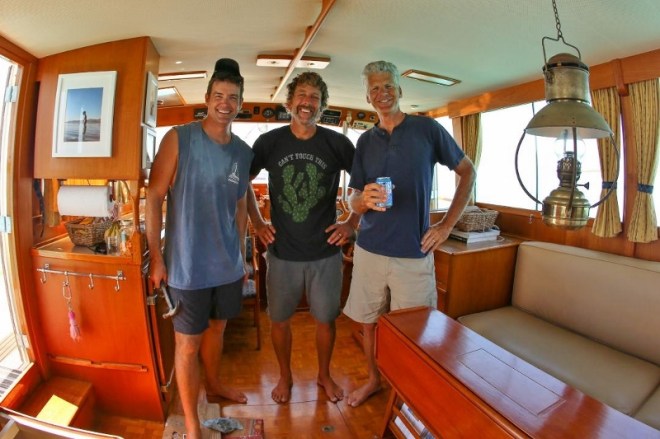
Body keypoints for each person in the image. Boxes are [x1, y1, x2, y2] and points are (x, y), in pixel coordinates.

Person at [343, 60, 476, 407]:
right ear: (367, 97)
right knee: (369, 323)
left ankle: (406, 395)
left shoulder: (427, 130)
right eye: (374, 88)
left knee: (414, 330)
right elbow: (352, 199)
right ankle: (374, 380)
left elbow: (468, 171)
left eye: (388, 86)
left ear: (399, 90)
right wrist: (361, 202)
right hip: (370, 249)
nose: (382, 93)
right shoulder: (364, 141)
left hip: (414, 252)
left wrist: (446, 226)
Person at [146, 58, 253, 439]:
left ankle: (215, 383)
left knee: (218, 329)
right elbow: (154, 196)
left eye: (233, 97)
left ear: (240, 104)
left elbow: (240, 206)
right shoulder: (179, 138)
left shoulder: (243, 152)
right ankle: (192, 423)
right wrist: (156, 257)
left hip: (226, 265)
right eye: (219, 95)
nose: (225, 103)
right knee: (187, 344)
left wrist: (241, 256)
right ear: (207, 99)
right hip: (186, 265)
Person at [247, 71, 358, 404]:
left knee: (326, 320)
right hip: (282, 254)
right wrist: (257, 222)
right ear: (290, 101)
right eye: (302, 95)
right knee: (279, 321)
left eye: (314, 98)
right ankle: (285, 377)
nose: (307, 102)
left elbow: (365, 185)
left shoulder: (338, 144)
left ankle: (324, 375)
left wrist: (351, 221)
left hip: (326, 253)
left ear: (321, 106)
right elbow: (242, 183)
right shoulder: (269, 142)